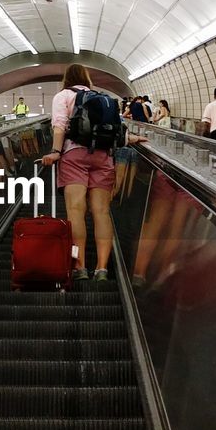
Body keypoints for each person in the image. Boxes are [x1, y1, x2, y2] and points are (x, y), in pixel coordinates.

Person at [41, 64, 146, 282]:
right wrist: (132, 139)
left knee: (76, 211)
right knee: (101, 212)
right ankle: (102, 268)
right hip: (103, 156)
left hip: (74, 156)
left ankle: (80, 265)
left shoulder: (63, 96)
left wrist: (55, 152)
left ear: (66, 79)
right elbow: (113, 130)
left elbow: (59, 126)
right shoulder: (101, 97)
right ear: (86, 79)